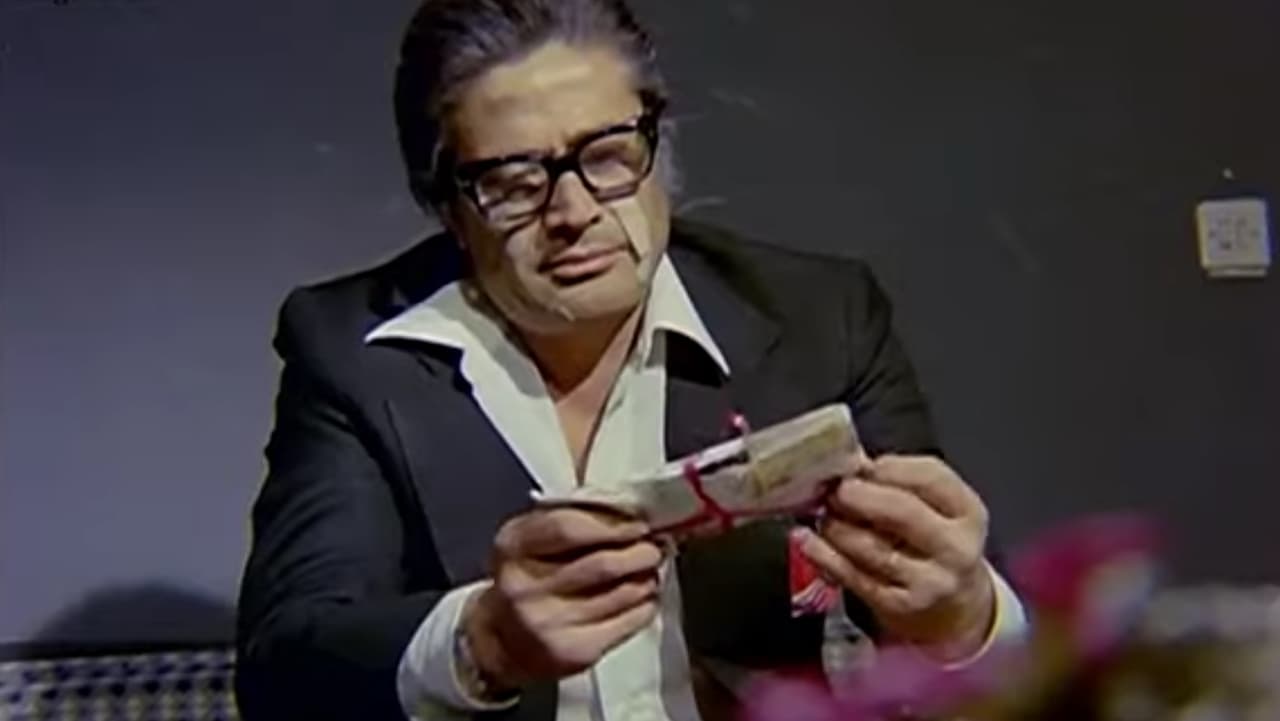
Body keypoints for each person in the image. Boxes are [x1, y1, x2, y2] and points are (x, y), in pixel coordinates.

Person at [234, 1, 1027, 720]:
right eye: (513, 181)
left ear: (659, 147)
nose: (573, 211)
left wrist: (962, 616)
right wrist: (486, 641)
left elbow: (971, 630)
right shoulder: (352, 354)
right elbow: (285, 669)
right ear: (448, 206)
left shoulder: (819, 318)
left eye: (608, 155)